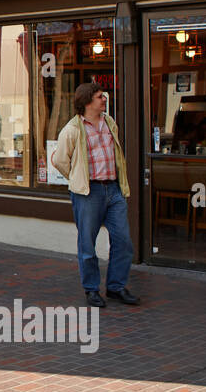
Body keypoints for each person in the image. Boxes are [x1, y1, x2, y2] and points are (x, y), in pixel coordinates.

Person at [50, 82, 139, 307]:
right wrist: (77, 178)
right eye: (100, 97)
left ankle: (116, 286)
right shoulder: (72, 129)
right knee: (87, 244)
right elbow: (60, 160)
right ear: (88, 101)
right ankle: (91, 289)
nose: (104, 99)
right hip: (89, 192)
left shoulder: (110, 123)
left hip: (114, 189)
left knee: (123, 241)